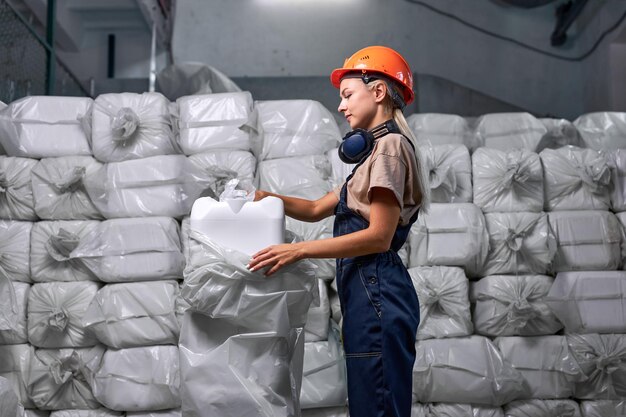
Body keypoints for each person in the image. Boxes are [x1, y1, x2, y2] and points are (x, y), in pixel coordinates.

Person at [247, 45, 430, 417]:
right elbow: (316, 209)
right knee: (370, 402)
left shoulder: (390, 149)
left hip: (377, 287)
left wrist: (297, 251)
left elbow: (379, 235)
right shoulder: (370, 158)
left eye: (347, 95)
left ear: (378, 91)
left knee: (377, 406)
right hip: (367, 291)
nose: (342, 107)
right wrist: (265, 197)